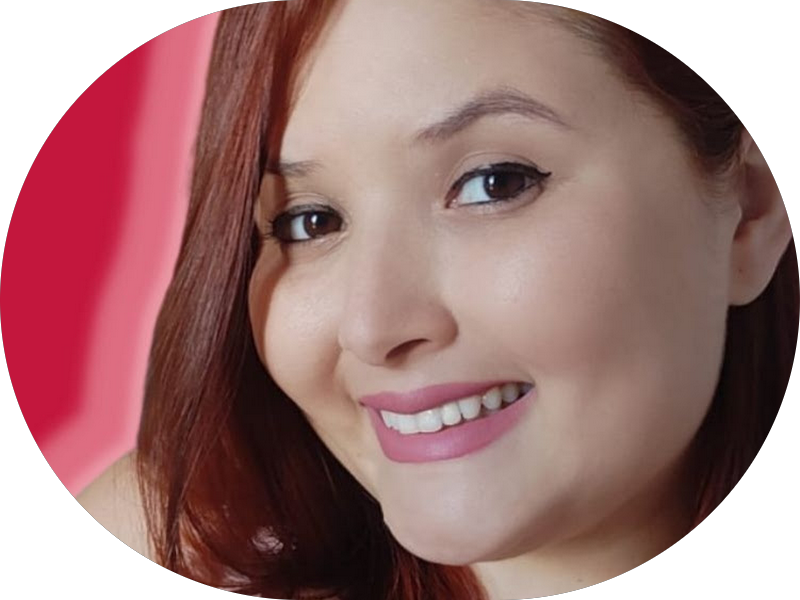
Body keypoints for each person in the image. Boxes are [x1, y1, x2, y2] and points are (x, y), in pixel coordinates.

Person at [78, 1, 796, 598]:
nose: (372, 326)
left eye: (495, 183)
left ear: (752, 212)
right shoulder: (179, 546)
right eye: (311, 221)